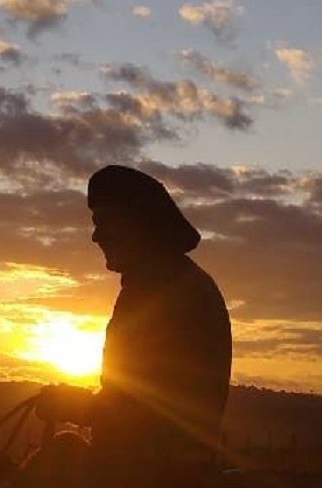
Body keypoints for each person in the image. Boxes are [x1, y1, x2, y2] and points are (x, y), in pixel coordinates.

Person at [36, 164, 231, 463]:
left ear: (139, 222)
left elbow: (145, 412)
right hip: (162, 470)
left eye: (105, 222)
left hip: (151, 478)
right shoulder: (167, 283)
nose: (96, 236)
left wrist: (72, 406)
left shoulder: (163, 293)